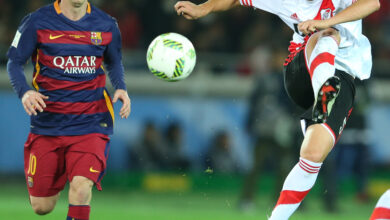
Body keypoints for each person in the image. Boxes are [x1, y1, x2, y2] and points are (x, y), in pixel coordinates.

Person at [174, 0, 380, 219]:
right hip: (299, 72)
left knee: (312, 155)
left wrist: (324, 21)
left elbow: (372, 3)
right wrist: (203, 8)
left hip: (342, 77)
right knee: (328, 34)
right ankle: (324, 92)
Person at [7, 0, 130, 219]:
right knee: (42, 206)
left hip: (91, 123)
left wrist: (121, 87)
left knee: (82, 188)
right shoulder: (36, 22)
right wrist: (25, 91)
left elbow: (114, 61)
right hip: (48, 126)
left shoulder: (106, 24)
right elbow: (14, 62)